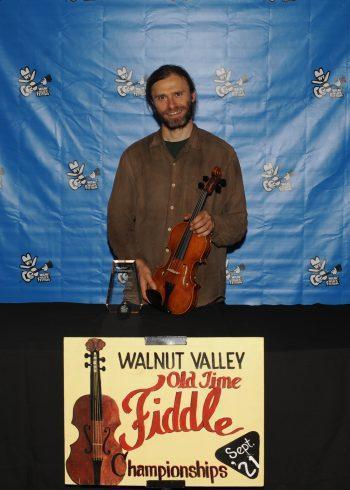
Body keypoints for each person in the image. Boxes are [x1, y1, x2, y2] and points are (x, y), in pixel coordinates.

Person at [107, 65, 247, 308]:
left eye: (178, 94)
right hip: (147, 293)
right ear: (152, 104)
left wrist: (214, 224)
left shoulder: (222, 155)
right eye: (162, 98)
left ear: (193, 96)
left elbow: (238, 224)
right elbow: (117, 224)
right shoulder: (133, 157)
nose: (171, 105)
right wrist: (135, 262)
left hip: (203, 297)